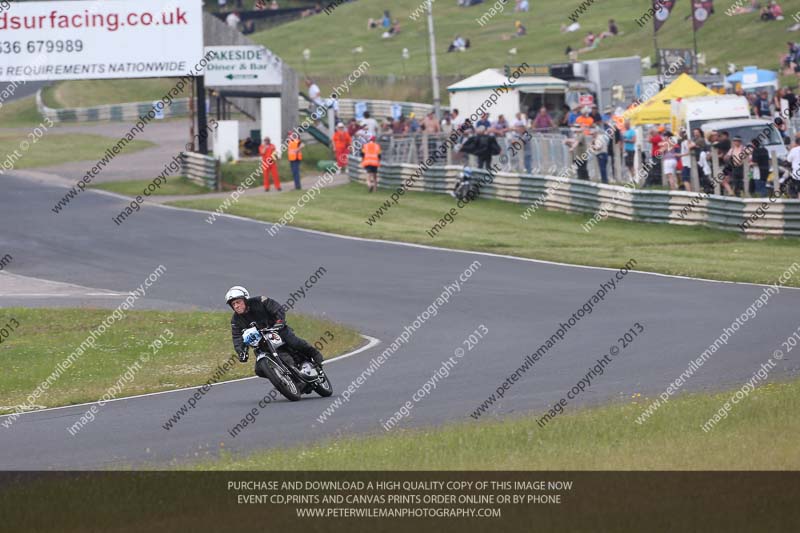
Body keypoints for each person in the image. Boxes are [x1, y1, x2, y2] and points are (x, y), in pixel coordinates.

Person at [226, 286, 323, 378]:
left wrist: (279, 322)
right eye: (233, 304)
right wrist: (241, 352)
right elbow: (237, 337)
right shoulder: (235, 320)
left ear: (245, 299)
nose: (236, 306)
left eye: (238, 302)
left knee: (294, 342)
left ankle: (314, 354)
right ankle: (284, 381)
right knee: (259, 370)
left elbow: (277, 309)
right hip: (262, 345)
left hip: (278, 330)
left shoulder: (260, 301)